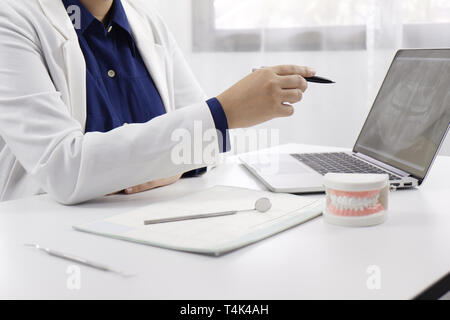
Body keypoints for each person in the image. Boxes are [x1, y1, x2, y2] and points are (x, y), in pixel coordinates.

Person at [0, 0, 314, 204]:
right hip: (50, 236)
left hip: (152, 223)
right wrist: (226, 111)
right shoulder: (12, 20)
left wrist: (174, 164)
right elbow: (64, 168)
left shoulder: (145, 20)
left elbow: (203, 144)